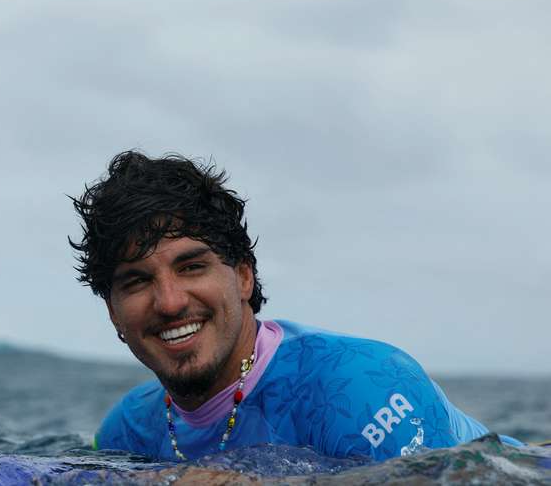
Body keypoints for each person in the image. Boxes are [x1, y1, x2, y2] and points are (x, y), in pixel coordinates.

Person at [70, 151, 521, 462]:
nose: (169, 302)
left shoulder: (360, 384)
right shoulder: (126, 431)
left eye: (191, 267)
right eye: (137, 280)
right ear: (113, 312)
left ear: (243, 276)